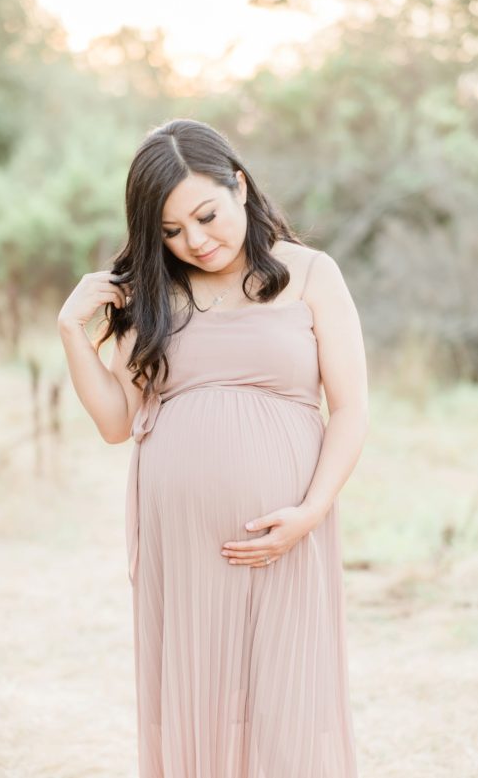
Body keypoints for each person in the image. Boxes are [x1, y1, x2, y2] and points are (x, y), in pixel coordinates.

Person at [57, 118, 368, 778]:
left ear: (240, 185)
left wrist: (309, 512)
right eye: (170, 231)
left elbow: (349, 408)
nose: (195, 241)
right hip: (182, 543)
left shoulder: (311, 274)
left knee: (287, 708)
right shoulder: (153, 292)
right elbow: (116, 423)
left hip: (285, 530)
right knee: (196, 705)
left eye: (205, 215)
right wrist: (70, 331)